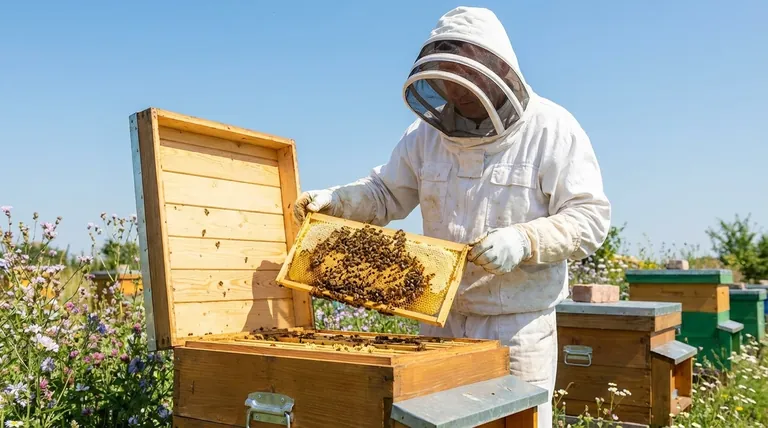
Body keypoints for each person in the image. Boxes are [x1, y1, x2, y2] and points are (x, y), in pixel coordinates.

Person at [293, 6, 610, 426]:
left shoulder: (552, 129)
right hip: (439, 324)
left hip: (516, 330)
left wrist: (526, 241)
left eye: (466, 81)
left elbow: (589, 217)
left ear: (498, 68)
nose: (456, 94)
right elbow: (384, 193)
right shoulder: (425, 137)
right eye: (447, 80)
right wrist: (336, 201)